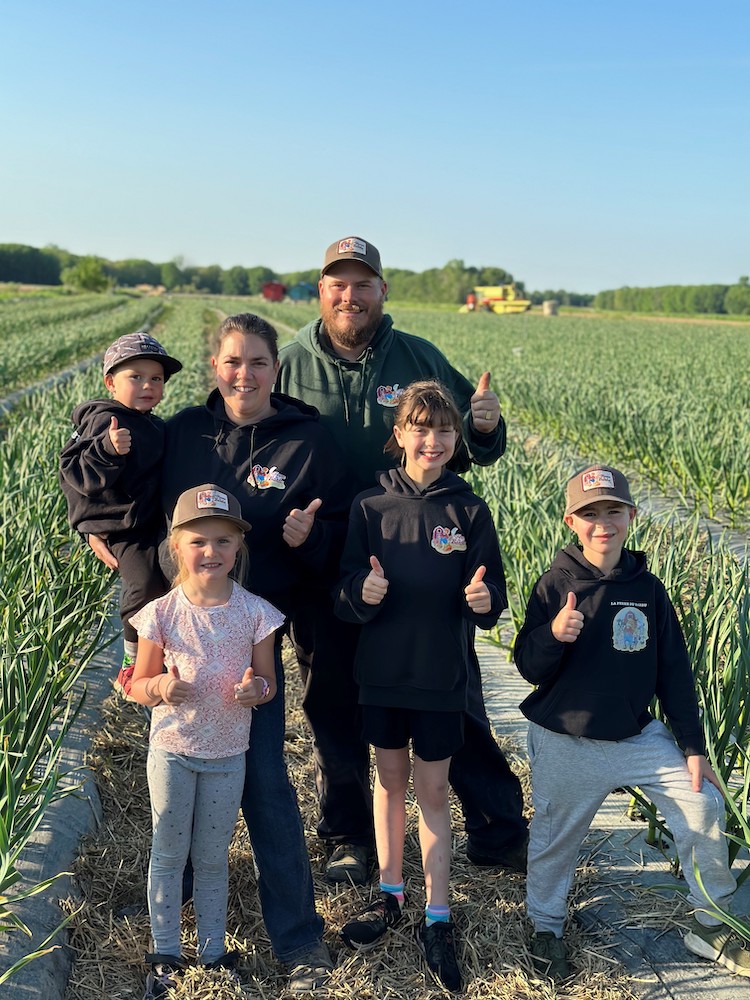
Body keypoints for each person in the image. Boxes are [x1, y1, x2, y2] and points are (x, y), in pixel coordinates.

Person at [88, 313, 350, 993]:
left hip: (250, 647)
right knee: (175, 791)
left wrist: (308, 540)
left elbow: (337, 539)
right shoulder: (178, 433)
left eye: (258, 362)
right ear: (215, 367)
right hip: (180, 647)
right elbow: (126, 506)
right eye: (233, 361)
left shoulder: (307, 441)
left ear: (276, 369)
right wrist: (115, 553)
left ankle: (297, 940)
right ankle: (169, 933)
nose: (245, 374)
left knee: (265, 786)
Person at [276, 235, 527, 885]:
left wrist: (485, 427)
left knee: (455, 693)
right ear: (321, 288)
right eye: (338, 281)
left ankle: (499, 830)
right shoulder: (291, 362)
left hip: (420, 559)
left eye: (363, 282)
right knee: (331, 697)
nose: (350, 294)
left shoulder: (418, 356)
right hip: (325, 557)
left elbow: (466, 444)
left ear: (382, 290)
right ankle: (350, 837)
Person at [513, 464, 749, 982]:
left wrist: (692, 746)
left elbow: (674, 671)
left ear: (631, 516)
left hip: (636, 737)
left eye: (613, 511)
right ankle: (546, 927)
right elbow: (527, 665)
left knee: (703, 803)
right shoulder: (556, 583)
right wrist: (554, 633)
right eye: (590, 513)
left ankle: (711, 923)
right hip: (566, 738)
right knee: (556, 838)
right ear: (570, 521)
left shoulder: (649, 589)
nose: (603, 524)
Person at [334, 381, 507, 992]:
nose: (431, 441)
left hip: (440, 678)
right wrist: (362, 593)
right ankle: (389, 894)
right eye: (420, 427)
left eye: (443, 431)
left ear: (456, 440)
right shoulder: (369, 507)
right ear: (399, 433)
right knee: (388, 784)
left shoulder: (469, 510)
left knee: (433, 793)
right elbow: (344, 591)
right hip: (382, 675)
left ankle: (438, 914)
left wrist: (484, 602)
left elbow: (493, 601)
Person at [129, 484, 284, 997]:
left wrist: (252, 691)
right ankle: (166, 951)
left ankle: (213, 952)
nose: (211, 552)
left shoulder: (257, 613)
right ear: (176, 546)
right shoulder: (162, 615)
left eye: (222, 541)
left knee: (214, 856)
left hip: (226, 755)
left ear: (238, 548)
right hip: (173, 752)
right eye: (198, 541)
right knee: (170, 853)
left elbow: (269, 682)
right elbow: (140, 686)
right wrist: (162, 686)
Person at [60, 330, 182, 696]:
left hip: (149, 519)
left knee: (170, 581)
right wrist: (107, 449)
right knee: (142, 584)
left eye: (156, 378)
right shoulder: (106, 420)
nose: (148, 385)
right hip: (123, 526)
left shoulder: (155, 424)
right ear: (110, 382)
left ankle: (167, 652)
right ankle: (132, 661)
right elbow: (74, 470)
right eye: (136, 377)